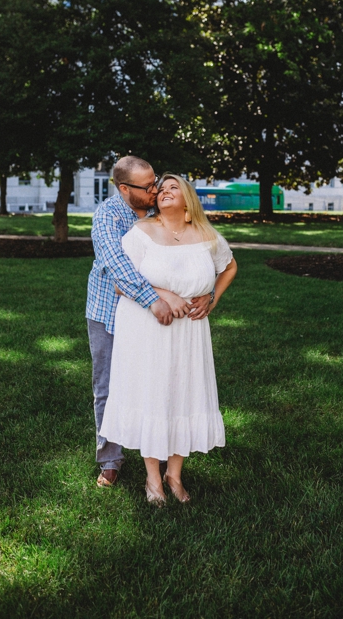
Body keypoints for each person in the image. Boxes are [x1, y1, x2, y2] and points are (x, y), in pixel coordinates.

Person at [99, 174, 237, 505]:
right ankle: (152, 480)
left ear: (188, 198)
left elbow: (229, 267)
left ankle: (174, 475)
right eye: (161, 189)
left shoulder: (206, 234)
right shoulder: (142, 231)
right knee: (154, 395)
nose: (164, 192)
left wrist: (211, 298)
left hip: (190, 330)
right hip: (148, 326)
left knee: (183, 395)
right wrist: (162, 293)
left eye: (173, 187)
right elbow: (121, 283)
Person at [85, 156, 201, 488]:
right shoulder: (107, 216)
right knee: (107, 387)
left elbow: (187, 250)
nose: (155, 189)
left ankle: (161, 449)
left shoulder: (157, 211)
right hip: (109, 312)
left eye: (155, 182)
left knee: (160, 381)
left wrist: (204, 292)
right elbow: (119, 267)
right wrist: (154, 299)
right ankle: (110, 459)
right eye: (148, 186)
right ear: (125, 189)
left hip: (152, 318)